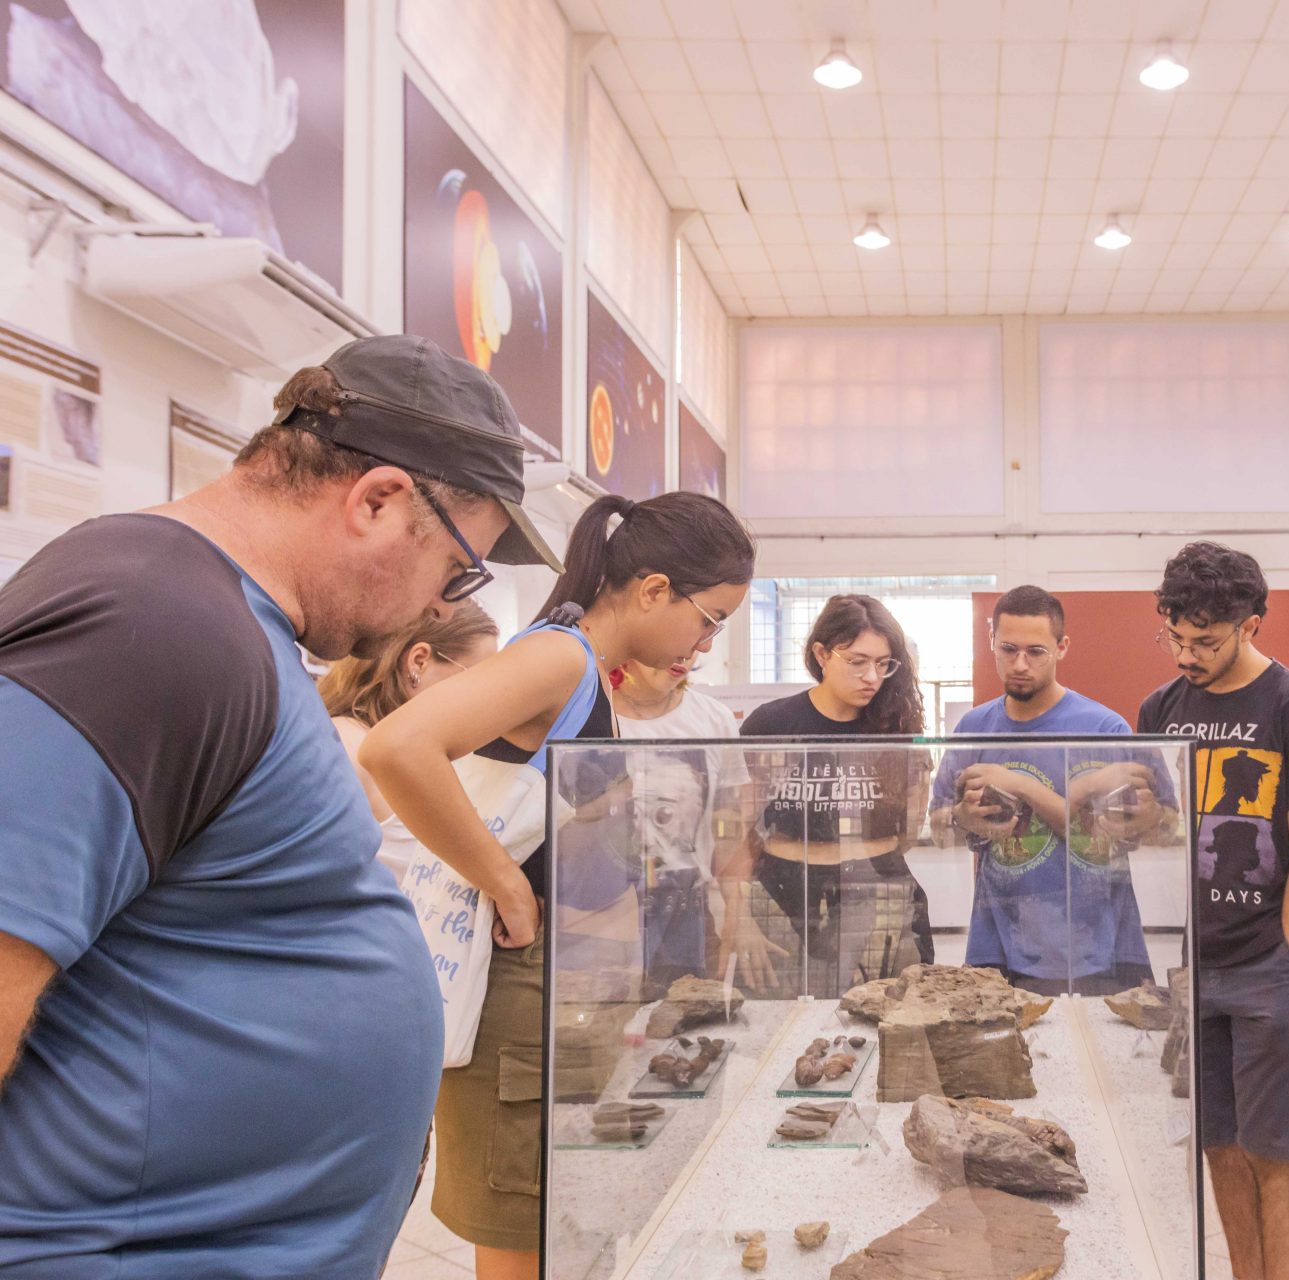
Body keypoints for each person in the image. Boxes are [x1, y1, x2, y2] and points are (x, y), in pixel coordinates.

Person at [0, 335, 559, 1277]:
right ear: (377, 500)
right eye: (458, 569)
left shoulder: (225, 625)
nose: (440, 607)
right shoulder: (145, 622)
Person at [363, 491, 755, 1280]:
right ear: (652, 590)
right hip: (520, 999)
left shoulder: (585, 669)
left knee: (562, 1225)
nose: (707, 642)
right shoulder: (561, 656)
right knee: (521, 1235)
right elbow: (397, 748)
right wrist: (505, 883)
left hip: (564, 993)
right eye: (709, 617)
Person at [1135, 542, 1289, 1280]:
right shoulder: (1161, 708)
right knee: (1219, 1144)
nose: (1187, 655)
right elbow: (1156, 831)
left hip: (1267, 965)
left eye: (1206, 642)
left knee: (1273, 1152)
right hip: (1195, 966)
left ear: (1252, 624)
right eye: (1176, 637)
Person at [931, 585, 1164, 995]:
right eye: (1008, 649)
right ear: (992, 644)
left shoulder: (1105, 729)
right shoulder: (973, 729)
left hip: (1099, 942)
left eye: (1035, 651)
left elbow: (1161, 826)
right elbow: (938, 826)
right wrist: (962, 819)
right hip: (999, 941)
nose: (1020, 664)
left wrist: (1020, 784)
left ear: (1062, 647)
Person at [739, 594, 933, 995]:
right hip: (781, 888)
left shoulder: (895, 726)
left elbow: (909, 833)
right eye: (858, 661)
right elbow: (738, 828)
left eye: (883, 664)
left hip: (875, 884)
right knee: (781, 1019)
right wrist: (737, 916)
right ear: (822, 654)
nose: (872, 678)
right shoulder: (773, 723)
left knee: (888, 1016)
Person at [322, 601, 500, 885]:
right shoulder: (348, 746)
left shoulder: (400, 748)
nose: (483, 699)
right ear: (419, 661)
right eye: (476, 680)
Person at [607, 656, 750, 983]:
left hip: (691, 911)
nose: (686, 654)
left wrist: (739, 913)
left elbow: (727, 824)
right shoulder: (592, 715)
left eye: (700, 639)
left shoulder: (714, 719)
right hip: (609, 915)